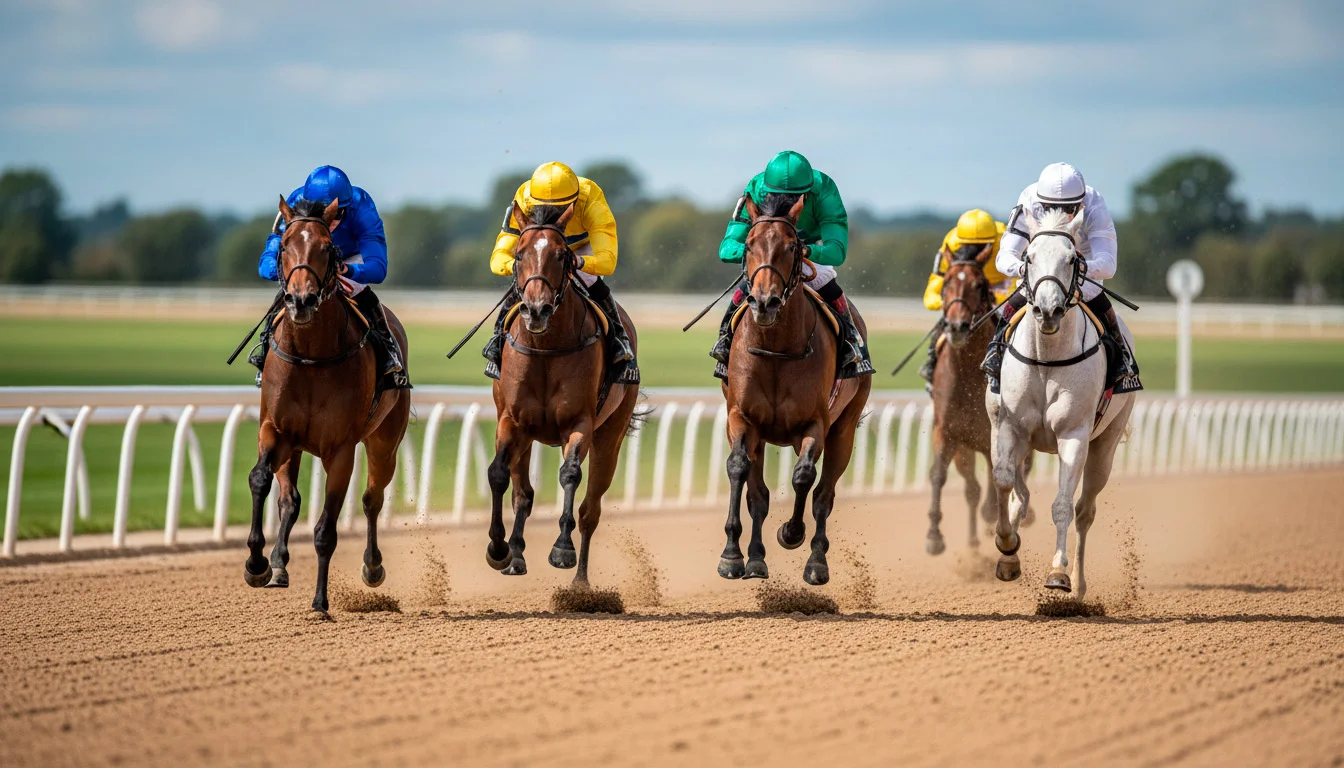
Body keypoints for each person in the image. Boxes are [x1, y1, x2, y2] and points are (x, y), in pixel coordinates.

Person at [710, 150, 874, 379]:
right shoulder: (756, 189)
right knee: (748, 289)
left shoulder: (825, 190)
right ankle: (725, 342)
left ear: (807, 192)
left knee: (827, 283)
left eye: (792, 197)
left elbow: (836, 251)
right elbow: (726, 249)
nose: (784, 203)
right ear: (767, 190)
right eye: (777, 196)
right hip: (768, 251)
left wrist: (804, 250)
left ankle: (852, 345)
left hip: (808, 249)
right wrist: (758, 253)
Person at [981, 162, 1141, 394]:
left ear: (1080, 203)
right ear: (1040, 203)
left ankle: (1121, 359)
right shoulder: (1028, 199)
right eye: (1049, 208)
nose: (1059, 215)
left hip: (1081, 273)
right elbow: (1005, 257)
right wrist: (1023, 269)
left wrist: (1080, 266)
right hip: (1040, 274)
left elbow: (1108, 265)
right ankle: (995, 352)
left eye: (1068, 209)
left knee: (1097, 298)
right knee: (1019, 297)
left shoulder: (1095, 204)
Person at [482, 161, 638, 384]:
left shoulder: (592, 199)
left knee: (588, 278)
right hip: (541, 248)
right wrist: (520, 267)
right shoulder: (523, 198)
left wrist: (578, 261)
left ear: (574, 202)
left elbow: (607, 261)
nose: (550, 215)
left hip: (582, 247)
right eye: (543, 209)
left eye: (558, 210)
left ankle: (620, 341)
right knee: (527, 281)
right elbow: (498, 258)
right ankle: (497, 341)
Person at [251, 165, 405, 387]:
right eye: (322, 214)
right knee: (289, 293)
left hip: (350, 258)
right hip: (310, 259)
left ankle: (388, 353)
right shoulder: (295, 203)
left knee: (361, 291)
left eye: (337, 213)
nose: (330, 221)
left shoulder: (362, 206)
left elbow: (378, 268)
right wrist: (289, 272)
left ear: (346, 208)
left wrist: (349, 271)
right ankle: (265, 353)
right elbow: (268, 261)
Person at [917, 209, 1013, 387]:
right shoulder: (951, 243)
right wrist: (943, 303)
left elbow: (1018, 280)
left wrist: (998, 300)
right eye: (967, 246)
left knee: (1012, 322)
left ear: (993, 242)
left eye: (981, 246)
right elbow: (936, 283)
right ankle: (931, 366)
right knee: (949, 320)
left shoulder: (1008, 239)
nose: (973, 251)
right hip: (968, 288)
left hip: (1002, 284)